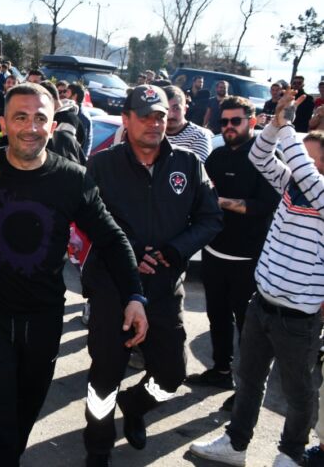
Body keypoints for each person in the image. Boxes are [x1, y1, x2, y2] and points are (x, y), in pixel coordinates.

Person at [0, 83, 147, 465]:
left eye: (40, 118)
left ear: (53, 126)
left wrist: (135, 295)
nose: (30, 127)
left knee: (21, 418)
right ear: (3, 123)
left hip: (43, 320)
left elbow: (111, 238)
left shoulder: (72, 178)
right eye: (20, 117)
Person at [83, 85, 222, 466]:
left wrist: (175, 249)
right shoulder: (102, 165)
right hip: (113, 289)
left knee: (172, 376)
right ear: (126, 120)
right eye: (143, 116)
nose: (153, 123)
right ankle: (98, 446)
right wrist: (129, 252)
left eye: (159, 116)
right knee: (104, 379)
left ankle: (136, 404)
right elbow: (87, 221)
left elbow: (211, 219)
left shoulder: (190, 164)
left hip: (163, 289)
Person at [190, 91, 324, 467]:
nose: (303, 165)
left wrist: (285, 129)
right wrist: (275, 126)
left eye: (313, 160)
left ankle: (290, 455)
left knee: (299, 393)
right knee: (248, 381)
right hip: (262, 301)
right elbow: (259, 156)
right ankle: (236, 444)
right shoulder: (290, 187)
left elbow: (307, 176)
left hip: (298, 317)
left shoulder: (320, 192)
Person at [184, 96, 280, 403]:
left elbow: (265, 206)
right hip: (214, 252)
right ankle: (221, 370)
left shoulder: (267, 160)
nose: (228, 127)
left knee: (248, 329)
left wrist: (221, 202)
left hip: (249, 259)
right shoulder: (217, 156)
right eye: (223, 121)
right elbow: (200, 194)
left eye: (235, 121)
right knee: (217, 316)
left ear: (252, 122)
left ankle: (246, 390)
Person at [162, 85, 213, 162]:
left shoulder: (198, 135)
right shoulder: (153, 132)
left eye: (176, 108)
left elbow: (199, 169)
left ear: (185, 109)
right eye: (166, 109)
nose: (170, 114)